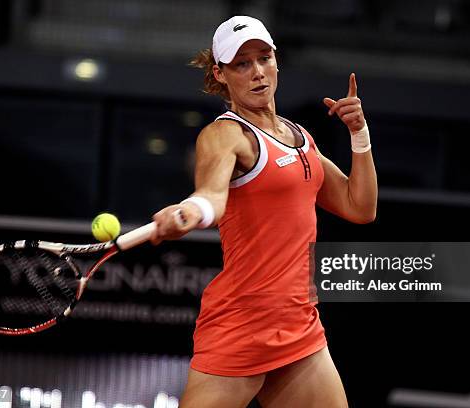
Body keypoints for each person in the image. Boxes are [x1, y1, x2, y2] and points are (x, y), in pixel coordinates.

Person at [150, 16, 377, 407]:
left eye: (263, 58)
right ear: (220, 74)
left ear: (276, 60)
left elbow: (361, 207)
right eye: (241, 64)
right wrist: (191, 211)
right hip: (242, 325)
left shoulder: (301, 137)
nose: (257, 72)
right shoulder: (224, 135)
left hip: (299, 326)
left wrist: (359, 135)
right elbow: (211, 195)